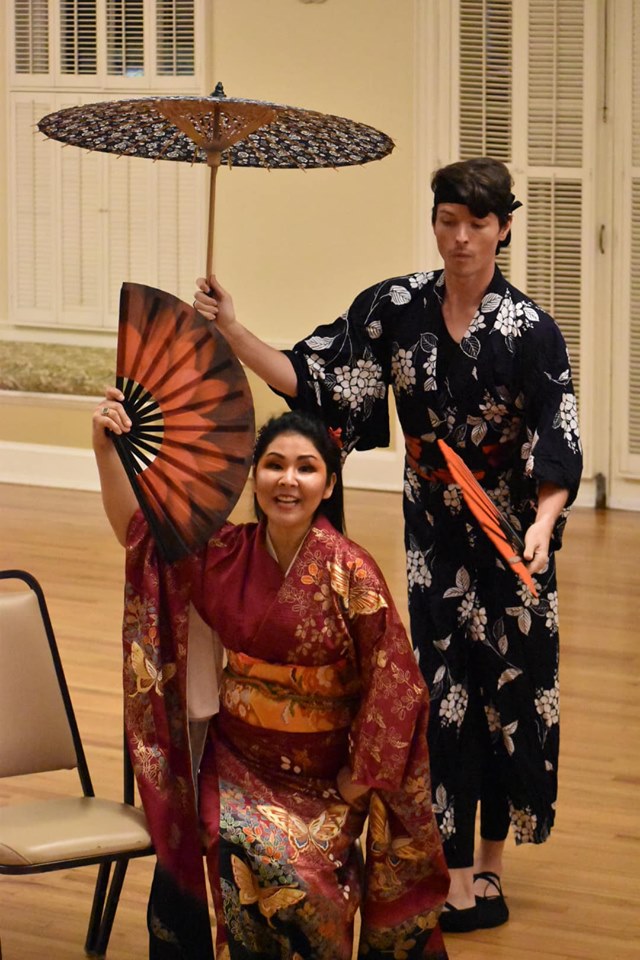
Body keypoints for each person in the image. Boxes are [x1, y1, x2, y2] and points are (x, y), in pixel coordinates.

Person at [193, 157, 583, 934]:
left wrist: (543, 524)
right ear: (434, 224)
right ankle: (455, 869)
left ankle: (492, 867)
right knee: (442, 693)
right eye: (448, 220)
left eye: (477, 223)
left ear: (504, 228)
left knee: (508, 693)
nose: (461, 237)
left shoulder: (533, 331)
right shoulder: (394, 309)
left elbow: (558, 441)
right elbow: (315, 379)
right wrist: (230, 328)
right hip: (434, 530)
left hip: (512, 536)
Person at [92, 399, 449, 959]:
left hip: (326, 777)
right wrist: (104, 449)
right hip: (239, 764)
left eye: (306, 468)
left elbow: (397, 682)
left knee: (305, 879)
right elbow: (141, 535)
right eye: (275, 465)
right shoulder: (226, 553)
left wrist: (362, 776)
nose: (289, 480)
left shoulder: (350, 569)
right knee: (243, 846)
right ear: (253, 476)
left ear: (329, 485)